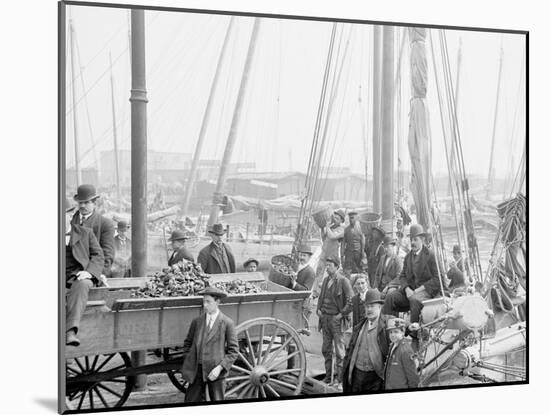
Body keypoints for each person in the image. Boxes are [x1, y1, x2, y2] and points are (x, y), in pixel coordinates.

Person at [180, 287, 239, 402]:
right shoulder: (197, 321)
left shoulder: (227, 323)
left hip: (216, 373)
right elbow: (188, 343)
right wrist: (190, 359)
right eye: (204, 302)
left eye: (208, 302)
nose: (205, 305)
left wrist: (219, 368)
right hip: (196, 371)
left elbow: (233, 351)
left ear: (217, 302)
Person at [382, 224, 445, 326]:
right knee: (391, 297)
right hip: (410, 291)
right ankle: (392, 328)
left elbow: (438, 278)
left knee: (415, 300)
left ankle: (414, 334)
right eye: (411, 239)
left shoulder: (431, 255)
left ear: (422, 240)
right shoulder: (408, 257)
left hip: (428, 292)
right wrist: (407, 289)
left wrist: (417, 290)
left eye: (415, 240)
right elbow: (402, 276)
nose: (412, 243)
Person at [65, 202, 104, 346]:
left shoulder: (85, 233)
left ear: (70, 215)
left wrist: (89, 272)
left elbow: (98, 255)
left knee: (82, 284)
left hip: (79, 276)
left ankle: (70, 331)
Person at [316, 256, 354, 389]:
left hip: (337, 321)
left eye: (330, 265)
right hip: (325, 319)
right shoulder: (326, 280)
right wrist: (318, 310)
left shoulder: (344, 281)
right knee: (326, 349)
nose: (327, 267)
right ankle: (328, 377)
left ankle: (340, 380)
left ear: (337, 267)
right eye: (326, 265)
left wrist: (341, 315)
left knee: (340, 352)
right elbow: (321, 297)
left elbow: (351, 301)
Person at [342, 289, 389, 393]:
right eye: (367, 306)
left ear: (380, 307)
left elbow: (400, 328)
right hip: (357, 375)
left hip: (375, 377)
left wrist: (411, 327)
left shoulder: (386, 326)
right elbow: (349, 351)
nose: (369, 309)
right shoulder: (359, 327)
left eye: (372, 306)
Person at [71, 184, 115, 277]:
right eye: (80, 202)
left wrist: (99, 274)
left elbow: (107, 253)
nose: (82, 206)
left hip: (93, 272)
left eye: (86, 202)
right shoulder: (69, 222)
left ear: (95, 204)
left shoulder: (105, 224)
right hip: (69, 273)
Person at [383, 318, 419, 390]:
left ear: (403, 333)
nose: (392, 335)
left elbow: (412, 376)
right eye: (391, 332)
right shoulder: (392, 345)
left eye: (396, 332)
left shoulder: (405, 350)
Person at [316, 209, 346, 278]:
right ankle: (316, 288)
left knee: (330, 275)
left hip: (332, 258)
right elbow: (324, 239)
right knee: (318, 273)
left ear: (341, 221)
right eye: (334, 217)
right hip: (323, 255)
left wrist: (327, 227)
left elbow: (332, 236)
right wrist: (322, 228)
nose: (334, 220)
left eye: (337, 218)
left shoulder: (341, 230)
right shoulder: (330, 228)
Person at [342, 211, 367, 275]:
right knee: (347, 271)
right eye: (350, 218)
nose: (351, 220)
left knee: (360, 271)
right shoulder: (346, 229)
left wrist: (363, 252)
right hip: (349, 254)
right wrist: (342, 255)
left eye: (352, 218)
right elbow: (343, 243)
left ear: (356, 218)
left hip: (358, 253)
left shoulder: (361, 228)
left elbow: (363, 241)